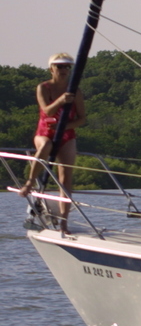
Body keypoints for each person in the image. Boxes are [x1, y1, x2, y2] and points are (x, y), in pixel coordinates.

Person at [18, 53, 86, 232]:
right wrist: (62, 100)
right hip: (44, 132)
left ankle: (63, 222)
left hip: (66, 134)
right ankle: (30, 181)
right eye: (59, 66)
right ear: (51, 69)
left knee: (65, 178)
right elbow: (47, 111)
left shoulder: (75, 91)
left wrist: (65, 127)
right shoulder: (43, 87)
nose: (63, 70)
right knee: (46, 145)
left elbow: (82, 119)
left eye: (67, 67)